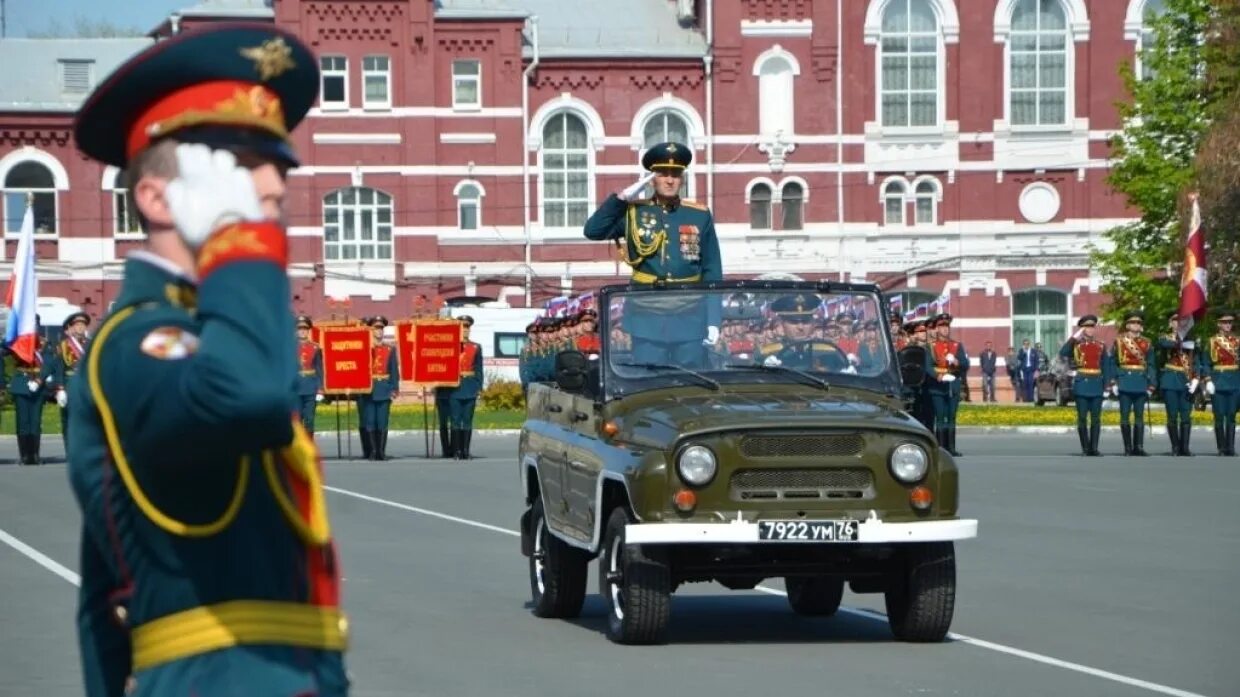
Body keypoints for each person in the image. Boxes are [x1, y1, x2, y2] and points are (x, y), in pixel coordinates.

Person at [67, 24, 348, 697]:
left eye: (275, 163)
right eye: (238, 161)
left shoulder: (225, 328)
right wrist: (238, 242)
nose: (272, 185)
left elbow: (103, 594)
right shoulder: (137, 344)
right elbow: (248, 397)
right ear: (159, 196)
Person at [583, 141, 722, 365]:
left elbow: (712, 269)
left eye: (675, 174)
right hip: (646, 318)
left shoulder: (699, 215)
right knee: (649, 382)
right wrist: (620, 199)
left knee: (691, 385)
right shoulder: (634, 213)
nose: (669, 180)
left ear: (682, 178)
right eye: (662, 173)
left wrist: (714, 319)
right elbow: (593, 230)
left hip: (690, 318)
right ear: (651, 178)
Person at [1107, 311, 1156, 456]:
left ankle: (1139, 447)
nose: (1137, 325)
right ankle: (1127, 447)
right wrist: (1114, 382)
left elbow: (1152, 365)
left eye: (1139, 323)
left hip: (1141, 382)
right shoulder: (1119, 341)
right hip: (1124, 382)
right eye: (1134, 323)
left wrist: (1152, 384)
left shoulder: (1147, 343)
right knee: (1125, 416)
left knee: (1139, 416)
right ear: (1128, 325)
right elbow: (1112, 363)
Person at [758, 294, 848, 372]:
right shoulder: (766, 353)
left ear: (813, 324)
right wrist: (765, 373)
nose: (800, 327)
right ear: (782, 324)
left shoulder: (829, 352)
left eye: (805, 322)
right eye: (793, 322)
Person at [1060, 315, 1107, 456]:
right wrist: (1075, 337)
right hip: (1082, 383)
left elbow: (1105, 366)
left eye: (1092, 326)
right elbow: (1063, 352)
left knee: (1096, 418)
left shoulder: (1101, 345)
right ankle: (1085, 448)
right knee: (1082, 417)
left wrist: (1107, 386)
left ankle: (1094, 448)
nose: (1090, 329)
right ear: (1082, 329)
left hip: (1096, 384)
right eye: (1086, 327)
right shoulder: (1076, 345)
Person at [45, 311, 91, 450]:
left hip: (87, 388)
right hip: (69, 386)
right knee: (69, 421)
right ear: (71, 327)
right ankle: (71, 451)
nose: (80, 328)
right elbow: (59, 369)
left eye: (83, 325)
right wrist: (59, 389)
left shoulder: (91, 344)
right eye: (77, 325)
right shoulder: (64, 346)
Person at [6, 315, 49, 465]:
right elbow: (4, 349)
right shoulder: (18, 343)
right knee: (23, 422)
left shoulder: (44, 343)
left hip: (38, 384)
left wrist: (40, 379)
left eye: (34, 324)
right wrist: (12, 337)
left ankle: (35, 455)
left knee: (35, 422)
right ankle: (24, 455)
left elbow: (49, 363)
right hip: (21, 383)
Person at [1158, 311, 1199, 456]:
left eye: (1181, 320)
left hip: (1186, 381)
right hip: (1170, 380)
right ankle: (1175, 447)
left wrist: (1196, 378)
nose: (1178, 323)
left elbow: (1196, 362)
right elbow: (1164, 344)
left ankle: (1185, 447)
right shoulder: (1165, 337)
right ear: (1170, 323)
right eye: (1175, 320)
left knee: (1186, 416)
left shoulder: (1192, 340)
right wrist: (1182, 342)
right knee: (1172, 415)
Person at [926, 313, 968, 456]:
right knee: (940, 418)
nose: (945, 329)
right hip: (938, 387)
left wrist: (957, 362)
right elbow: (928, 366)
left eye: (946, 326)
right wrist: (937, 375)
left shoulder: (956, 345)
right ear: (937, 329)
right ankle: (940, 449)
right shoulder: (931, 346)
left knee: (951, 418)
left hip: (952, 386)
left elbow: (965, 364)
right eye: (941, 326)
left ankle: (951, 448)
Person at [358, 315, 398, 460]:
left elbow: (394, 371)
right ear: (371, 330)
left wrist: (394, 389)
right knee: (370, 421)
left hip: (384, 388)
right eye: (376, 328)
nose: (379, 331)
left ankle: (381, 451)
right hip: (369, 389)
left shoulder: (389, 349)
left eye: (381, 328)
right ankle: (373, 451)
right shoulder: (364, 349)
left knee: (382, 421)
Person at [446, 315, 484, 460]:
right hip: (455, 387)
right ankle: (456, 451)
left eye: (467, 328)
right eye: (463, 327)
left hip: (470, 387)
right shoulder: (451, 346)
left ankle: (465, 450)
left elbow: (479, 369)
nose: (465, 331)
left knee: (467, 421)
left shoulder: (475, 347)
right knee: (455, 420)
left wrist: (479, 387)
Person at [1202, 309, 1237, 456]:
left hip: (1235, 381)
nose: (1228, 325)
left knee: (1231, 416)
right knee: (1219, 415)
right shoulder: (1212, 342)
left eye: (1229, 322)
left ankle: (1230, 448)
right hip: (1219, 381)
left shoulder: (1237, 341)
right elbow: (1205, 363)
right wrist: (1208, 380)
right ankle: (1221, 448)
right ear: (1219, 324)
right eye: (1224, 322)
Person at [295, 314, 324, 435]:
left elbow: (319, 369)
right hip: (295, 388)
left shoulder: (315, 347)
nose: (302, 332)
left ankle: (309, 448)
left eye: (305, 329)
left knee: (309, 420)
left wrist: (320, 389)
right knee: (296, 421)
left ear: (308, 331)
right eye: (300, 329)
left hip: (310, 389)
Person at [1017, 338, 1038, 403]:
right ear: (1023, 345)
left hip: (1031, 369)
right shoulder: (1021, 350)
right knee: (1025, 384)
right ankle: (1025, 398)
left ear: (1029, 344)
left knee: (1030, 384)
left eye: (1027, 344)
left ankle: (1031, 398)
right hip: (1024, 369)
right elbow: (1019, 358)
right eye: (1025, 344)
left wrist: (1037, 370)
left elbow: (1036, 361)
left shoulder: (1033, 351)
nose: (1026, 345)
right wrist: (1024, 352)